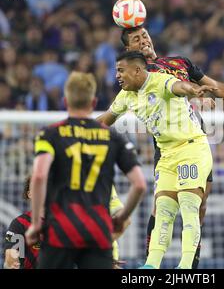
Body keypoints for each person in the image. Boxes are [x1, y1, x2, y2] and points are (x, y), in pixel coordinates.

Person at [98, 26, 224, 268]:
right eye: (136, 40)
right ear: (129, 51)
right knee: (162, 208)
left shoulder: (178, 63)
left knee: (198, 205)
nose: (143, 41)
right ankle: (152, 264)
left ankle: (189, 266)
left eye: (145, 36)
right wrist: (192, 92)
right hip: (166, 146)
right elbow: (173, 89)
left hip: (194, 136)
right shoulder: (135, 78)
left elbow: (215, 88)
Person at [25, 71, 146, 269]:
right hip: (97, 231)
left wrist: (37, 223)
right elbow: (140, 184)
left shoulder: (50, 134)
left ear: (65, 101)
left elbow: (39, 176)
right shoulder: (112, 137)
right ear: (93, 103)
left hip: (60, 230)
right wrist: (122, 217)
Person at [107, 51, 215, 269]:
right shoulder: (126, 95)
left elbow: (179, 87)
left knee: (188, 205)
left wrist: (194, 89)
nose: (117, 75)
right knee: (163, 209)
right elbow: (104, 120)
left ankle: (185, 268)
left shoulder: (160, 80)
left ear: (137, 70)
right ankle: (151, 266)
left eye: (121, 70)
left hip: (191, 148)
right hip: (166, 155)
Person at [3, 176, 40, 269]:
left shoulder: (61, 223)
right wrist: (11, 259)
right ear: (29, 194)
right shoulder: (19, 223)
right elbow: (11, 253)